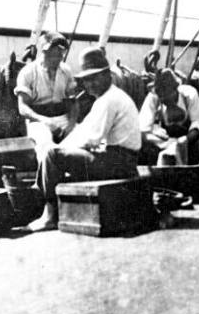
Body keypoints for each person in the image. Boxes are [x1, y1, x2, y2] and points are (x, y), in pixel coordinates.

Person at [29, 47, 141, 231]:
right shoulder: (109, 98)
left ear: (107, 75)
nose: (90, 84)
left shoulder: (108, 100)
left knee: (52, 154)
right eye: (87, 80)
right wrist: (61, 149)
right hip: (120, 161)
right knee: (54, 153)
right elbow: (84, 132)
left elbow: (90, 139)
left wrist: (55, 152)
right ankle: (41, 194)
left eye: (95, 77)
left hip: (118, 164)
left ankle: (49, 216)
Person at [139, 68, 199, 203]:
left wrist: (183, 141)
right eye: (161, 96)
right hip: (165, 141)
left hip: (189, 138)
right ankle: (160, 193)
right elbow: (143, 130)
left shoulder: (190, 94)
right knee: (144, 149)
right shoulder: (153, 98)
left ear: (176, 89)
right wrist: (165, 143)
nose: (164, 100)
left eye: (167, 96)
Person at [14, 31, 77, 158]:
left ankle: (76, 176)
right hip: (38, 121)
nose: (57, 57)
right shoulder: (28, 72)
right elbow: (23, 108)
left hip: (62, 118)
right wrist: (45, 121)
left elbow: (73, 103)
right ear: (43, 52)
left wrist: (71, 124)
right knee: (47, 148)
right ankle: (48, 176)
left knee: (81, 140)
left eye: (60, 54)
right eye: (53, 53)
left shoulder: (66, 71)